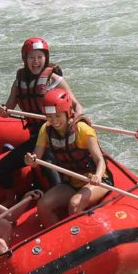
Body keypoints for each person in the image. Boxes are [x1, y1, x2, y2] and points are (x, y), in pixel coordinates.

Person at [0, 37, 83, 194]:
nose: (36, 61)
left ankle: (59, 201)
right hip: (36, 138)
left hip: (54, 134)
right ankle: (11, 198)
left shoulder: (54, 79)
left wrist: (78, 118)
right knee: (2, 168)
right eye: (31, 57)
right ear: (25, 59)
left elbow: (77, 105)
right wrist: (2, 110)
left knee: (48, 164)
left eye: (39, 57)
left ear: (46, 58)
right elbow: (7, 109)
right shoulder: (18, 82)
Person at [24, 88, 112, 226]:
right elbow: (36, 160)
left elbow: (99, 160)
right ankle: (57, 237)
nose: (54, 121)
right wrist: (30, 159)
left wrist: (98, 176)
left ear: (68, 113)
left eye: (58, 116)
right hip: (72, 182)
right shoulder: (46, 130)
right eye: (50, 117)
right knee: (43, 205)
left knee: (74, 203)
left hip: (98, 181)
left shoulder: (82, 130)